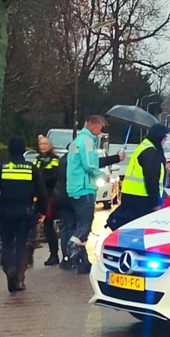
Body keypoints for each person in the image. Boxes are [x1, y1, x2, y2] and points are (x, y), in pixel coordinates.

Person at [0, 137, 48, 293]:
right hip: (26, 213)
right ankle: (19, 276)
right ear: (23, 151)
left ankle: (9, 269)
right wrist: (43, 211)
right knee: (21, 244)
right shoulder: (31, 168)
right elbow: (42, 192)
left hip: (5, 212)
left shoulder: (2, 168)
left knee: (6, 243)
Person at [65, 115, 124, 275]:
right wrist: (104, 176)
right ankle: (71, 247)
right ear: (93, 125)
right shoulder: (87, 141)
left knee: (81, 223)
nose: (100, 132)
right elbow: (90, 165)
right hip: (84, 188)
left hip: (75, 188)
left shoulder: (77, 141)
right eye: (100, 128)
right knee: (85, 225)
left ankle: (82, 262)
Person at [108, 124, 170, 231]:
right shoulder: (151, 152)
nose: (165, 142)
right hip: (142, 198)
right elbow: (152, 180)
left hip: (130, 195)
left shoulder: (143, 147)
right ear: (158, 137)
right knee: (142, 231)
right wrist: (155, 203)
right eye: (164, 138)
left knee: (131, 229)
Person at [33, 135, 62, 266]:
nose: (43, 146)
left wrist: (40, 178)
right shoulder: (37, 160)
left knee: (48, 225)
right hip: (37, 196)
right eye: (41, 144)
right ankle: (28, 255)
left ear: (50, 145)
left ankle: (54, 254)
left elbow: (52, 177)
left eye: (45, 144)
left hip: (49, 196)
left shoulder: (55, 160)